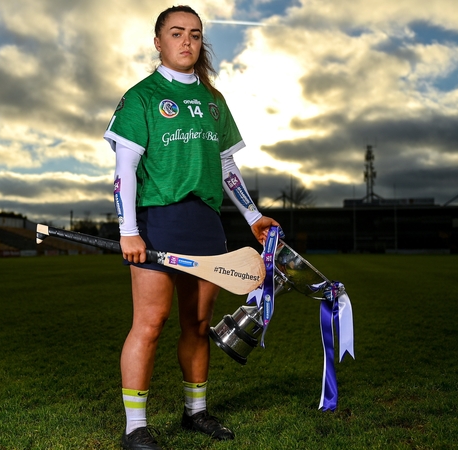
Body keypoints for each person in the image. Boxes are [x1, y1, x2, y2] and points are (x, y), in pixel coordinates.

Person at [103, 5, 280, 449]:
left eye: (196, 35)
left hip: (206, 224)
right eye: (177, 33)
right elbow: (124, 169)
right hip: (158, 219)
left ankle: (195, 413)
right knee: (150, 322)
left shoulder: (213, 101)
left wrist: (253, 216)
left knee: (198, 324)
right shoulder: (140, 97)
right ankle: (135, 428)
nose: (187, 41)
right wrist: (128, 230)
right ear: (158, 42)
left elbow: (225, 166)